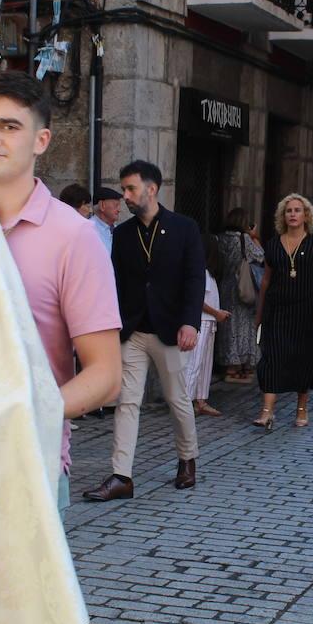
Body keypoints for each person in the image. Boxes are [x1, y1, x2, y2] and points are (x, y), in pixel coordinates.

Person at [0, 71, 123, 624]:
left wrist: (32, 412)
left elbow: (107, 375)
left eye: (9, 126)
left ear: (41, 140)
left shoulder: (71, 237)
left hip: (24, 471)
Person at [84, 160, 206, 502]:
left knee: (177, 399)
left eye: (130, 188)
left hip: (170, 330)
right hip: (133, 331)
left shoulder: (185, 228)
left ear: (151, 189)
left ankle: (187, 459)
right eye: (123, 189)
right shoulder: (122, 234)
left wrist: (190, 322)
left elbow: (194, 278)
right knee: (127, 402)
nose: (125, 196)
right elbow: (114, 282)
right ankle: (121, 475)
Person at [253, 194, 313, 429]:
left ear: (306, 215)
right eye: (289, 211)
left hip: (306, 312)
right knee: (272, 358)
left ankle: (302, 408)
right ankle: (267, 412)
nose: (293, 214)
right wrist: (260, 312)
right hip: (277, 311)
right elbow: (266, 281)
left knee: (303, 359)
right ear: (283, 216)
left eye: (298, 210)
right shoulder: (273, 245)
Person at [217, 207, 266, 384]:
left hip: (225, 285)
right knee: (244, 326)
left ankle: (229, 365)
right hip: (243, 286)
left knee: (227, 325)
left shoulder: (220, 238)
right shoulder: (243, 239)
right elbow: (261, 256)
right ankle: (241, 366)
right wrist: (254, 236)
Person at [187, 233, 229, 417]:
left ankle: (201, 399)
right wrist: (217, 313)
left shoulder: (208, 272)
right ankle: (186, 401)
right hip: (202, 320)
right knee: (194, 363)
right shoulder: (201, 272)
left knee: (205, 363)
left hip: (209, 321)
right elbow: (199, 301)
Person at [90, 186, 122, 253]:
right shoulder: (90, 230)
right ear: (102, 205)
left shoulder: (118, 230)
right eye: (116, 205)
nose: (119, 210)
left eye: (119, 206)